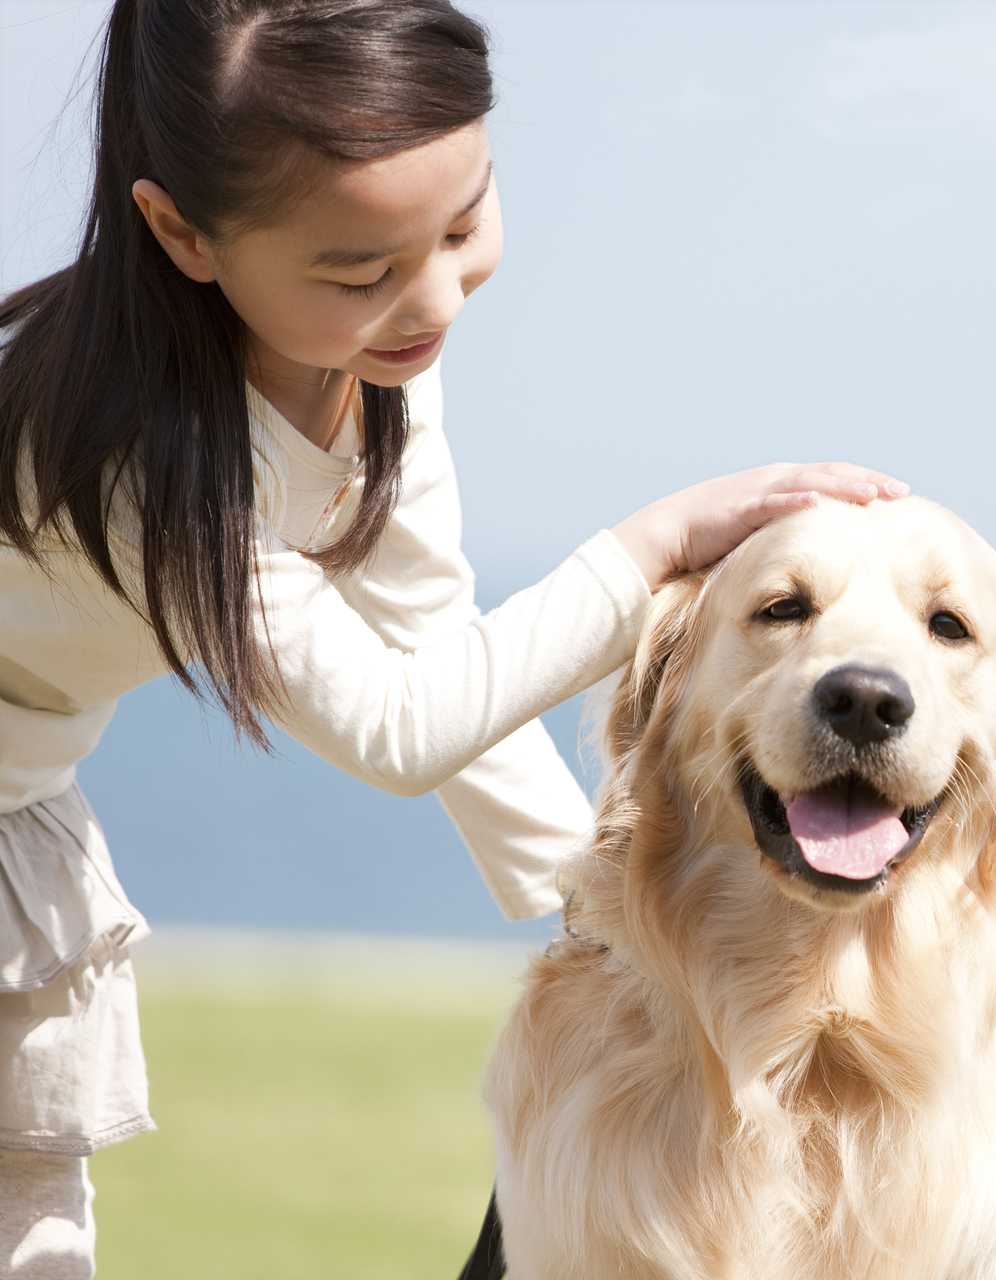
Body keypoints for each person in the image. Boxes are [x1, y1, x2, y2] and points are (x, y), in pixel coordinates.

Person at [0, 1, 907, 1273]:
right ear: (181, 233)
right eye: (361, 272)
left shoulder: (369, 365)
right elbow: (402, 727)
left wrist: (603, 914)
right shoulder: (152, 464)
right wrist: (647, 547)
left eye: (466, 222)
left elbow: (428, 631)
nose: (432, 298)